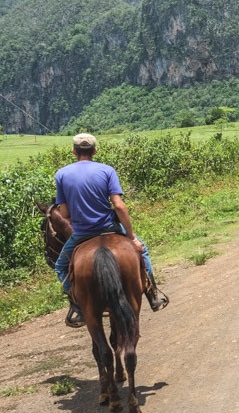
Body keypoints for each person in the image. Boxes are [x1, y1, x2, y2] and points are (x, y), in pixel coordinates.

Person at [54, 133, 169, 328]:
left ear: (74, 151)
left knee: (60, 266)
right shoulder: (107, 171)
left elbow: (64, 213)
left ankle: (77, 306)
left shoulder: (61, 174)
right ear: (95, 151)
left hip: (82, 233)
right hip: (110, 227)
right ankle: (153, 294)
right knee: (144, 251)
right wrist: (131, 238)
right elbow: (119, 205)